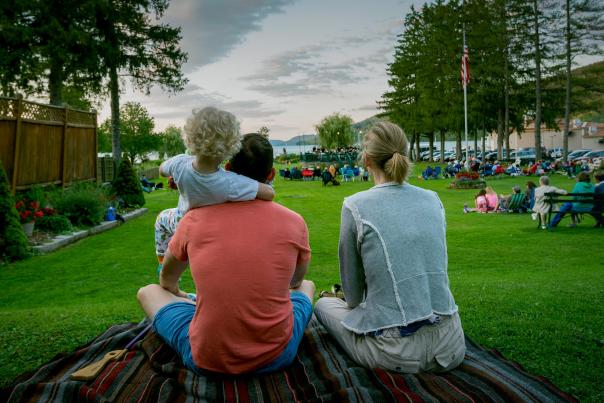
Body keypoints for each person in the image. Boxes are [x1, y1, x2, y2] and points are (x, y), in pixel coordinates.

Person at [137, 133, 315, 375]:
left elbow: (166, 281)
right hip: (278, 355)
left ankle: (197, 306)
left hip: (207, 358)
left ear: (227, 168)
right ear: (271, 174)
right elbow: (295, 282)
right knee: (307, 286)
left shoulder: (193, 219)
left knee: (148, 292)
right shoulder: (295, 222)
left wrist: (183, 296)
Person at [314, 122, 465, 373]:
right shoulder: (432, 200)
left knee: (323, 305)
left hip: (395, 352)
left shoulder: (355, 206)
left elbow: (351, 297)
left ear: (367, 159)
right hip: (450, 345)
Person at [154, 107, 275, 268]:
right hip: (208, 230)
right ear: (230, 147)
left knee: (162, 219)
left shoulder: (179, 163)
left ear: (190, 137)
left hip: (181, 222)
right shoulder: (230, 182)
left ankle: (163, 263)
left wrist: (175, 176)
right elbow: (268, 193)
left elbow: (162, 169)